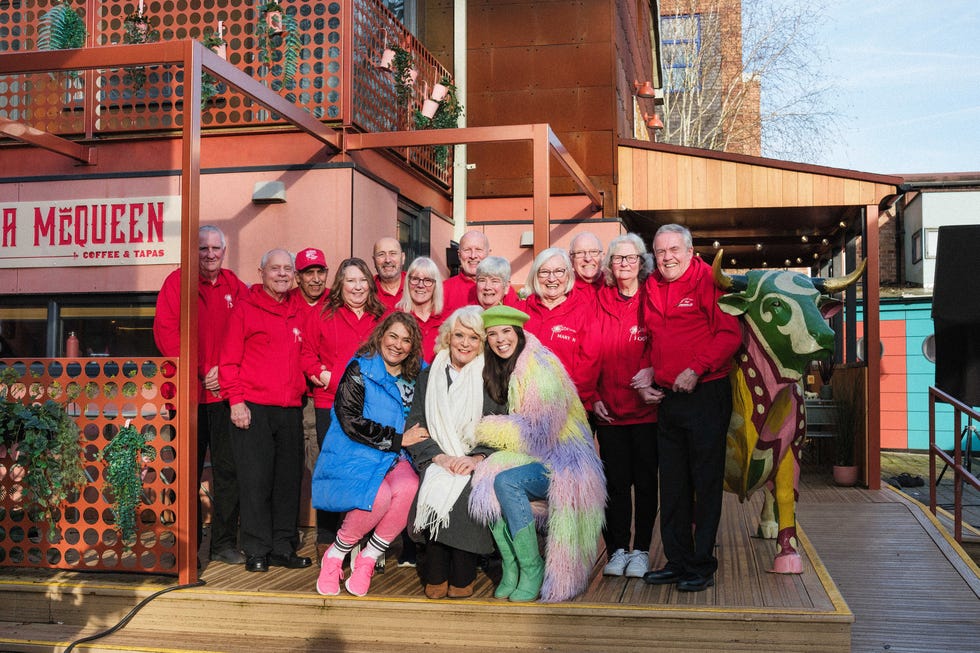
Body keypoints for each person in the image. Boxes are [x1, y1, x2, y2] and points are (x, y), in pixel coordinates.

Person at [468, 305, 605, 603]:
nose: (500, 339)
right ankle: (512, 566)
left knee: (507, 482)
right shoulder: (499, 366)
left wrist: (483, 429)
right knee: (486, 476)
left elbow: (538, 434)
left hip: (565, 461)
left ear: (518, 333)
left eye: (506, 332)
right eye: (492, 334)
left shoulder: (539, 366)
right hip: (539, 457)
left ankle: (532, 567)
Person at [635, 224, 741, 592]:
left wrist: (696, 368)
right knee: (674, 485)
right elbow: (653, 340)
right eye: (660, 251)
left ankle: (701, 565)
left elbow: (730, 334)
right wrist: (649, 373)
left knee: (705, 483)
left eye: (674, 250)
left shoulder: (708, 280)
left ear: (690, 250)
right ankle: (677, 561)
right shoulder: (652, 287)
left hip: (705, 393)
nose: (667, 257)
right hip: (668, 398)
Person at [312, 313, 427, 596]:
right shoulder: (359, 369)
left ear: (413, 347)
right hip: (360, 451)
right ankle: (336, 555)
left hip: (397, 456)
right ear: (381, 335)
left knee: (410, 487)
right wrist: (399, 439)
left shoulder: (419, 375)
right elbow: (350, 420)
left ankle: (368, 558)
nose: (398, 345)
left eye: (406, 340)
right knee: (380, 495)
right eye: (393, 336)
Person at [153, 224, 248, 566]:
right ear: (193, 251)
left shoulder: (236, 286)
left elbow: (245, 334)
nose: (209, 254)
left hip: (223, 397)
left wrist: (220, 372)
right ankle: (187, 546)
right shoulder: (176, 283)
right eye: (203, 248)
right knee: (185, 472)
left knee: (228, 472)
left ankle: (223, 543)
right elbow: (167, 334)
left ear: (225, 251)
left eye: (215, 248)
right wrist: (202, 369)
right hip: (186, 396)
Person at [220, 248, 311, 573]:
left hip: (289, 409)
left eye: (288, 269)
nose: (283, 274)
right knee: (256, 481)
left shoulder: (298, 311)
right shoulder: (245, 310)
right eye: (276, 269)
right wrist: (236, 401)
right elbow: (228, 361)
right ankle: (256, 547)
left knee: (287, 481)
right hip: (253, 408)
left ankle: (282, 547)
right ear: (262, 272)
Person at [405, 306, 505, 599]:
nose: (464, 343)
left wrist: (476, 458)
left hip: (474, 457)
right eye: (459, 335)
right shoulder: (429, 374)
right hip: (438, 455)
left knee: (466, 486)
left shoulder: (491, 376)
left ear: (481, 344)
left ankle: (462, 574)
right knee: (436, 480)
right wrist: (438, 457)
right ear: (448, 336)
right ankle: (436, 572)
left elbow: (498, 424)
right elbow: (415, 423)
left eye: (473, 338)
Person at [301, 257, 386, 559]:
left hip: (371, 408)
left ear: (370, 285)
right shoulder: (324, 314)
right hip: (331, 404)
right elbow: (307, 355)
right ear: (340, 284)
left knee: (366, 471)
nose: (357, 286)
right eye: (351, 280)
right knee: (333, 470)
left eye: (362, 280)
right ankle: (326, 537)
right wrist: (325, 376)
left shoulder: (381, 317)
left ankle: (362, 541)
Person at [592, 234, 659, 579]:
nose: (624, 265)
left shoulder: (653, 297)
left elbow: (664, 341)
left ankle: (643, 550)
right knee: (615, 486)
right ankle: (617, 548)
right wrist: (593, 396)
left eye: (630, 258)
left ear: (642, 262)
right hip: (610, 412)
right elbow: (590, 352)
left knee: (646, 484)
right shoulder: (599, 300)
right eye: (617, 259)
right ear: (610, 265)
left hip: (647, 411)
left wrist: (654, 370)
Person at [521, 246, 598, 402]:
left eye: (558, 271)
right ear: (535, 276)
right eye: (544, 272)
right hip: (526, 402)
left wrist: (569, 397)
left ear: (568, 275)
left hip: (570, 403)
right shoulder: (521, 311)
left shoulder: (583, 311)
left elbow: (591, 360)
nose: (551, 278)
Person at [442, 230, 517, 312]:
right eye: (467, 250)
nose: (473, 256)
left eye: (478, 250)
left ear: (488, 254)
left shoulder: (503, 288)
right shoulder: (444, 289)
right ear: (459, 255)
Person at [395, 256, 446, 362]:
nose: (420, 285)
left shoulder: (446, 319)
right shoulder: (396, 318)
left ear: (436, 285)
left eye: (427, 280)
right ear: (407, 282)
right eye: (415, 279)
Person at [372, 237, 406, 312]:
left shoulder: (416, 286)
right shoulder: (367, 289)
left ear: (403, 258)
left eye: (393, 253)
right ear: (374, 260)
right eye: (381, 254)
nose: (387, 260)